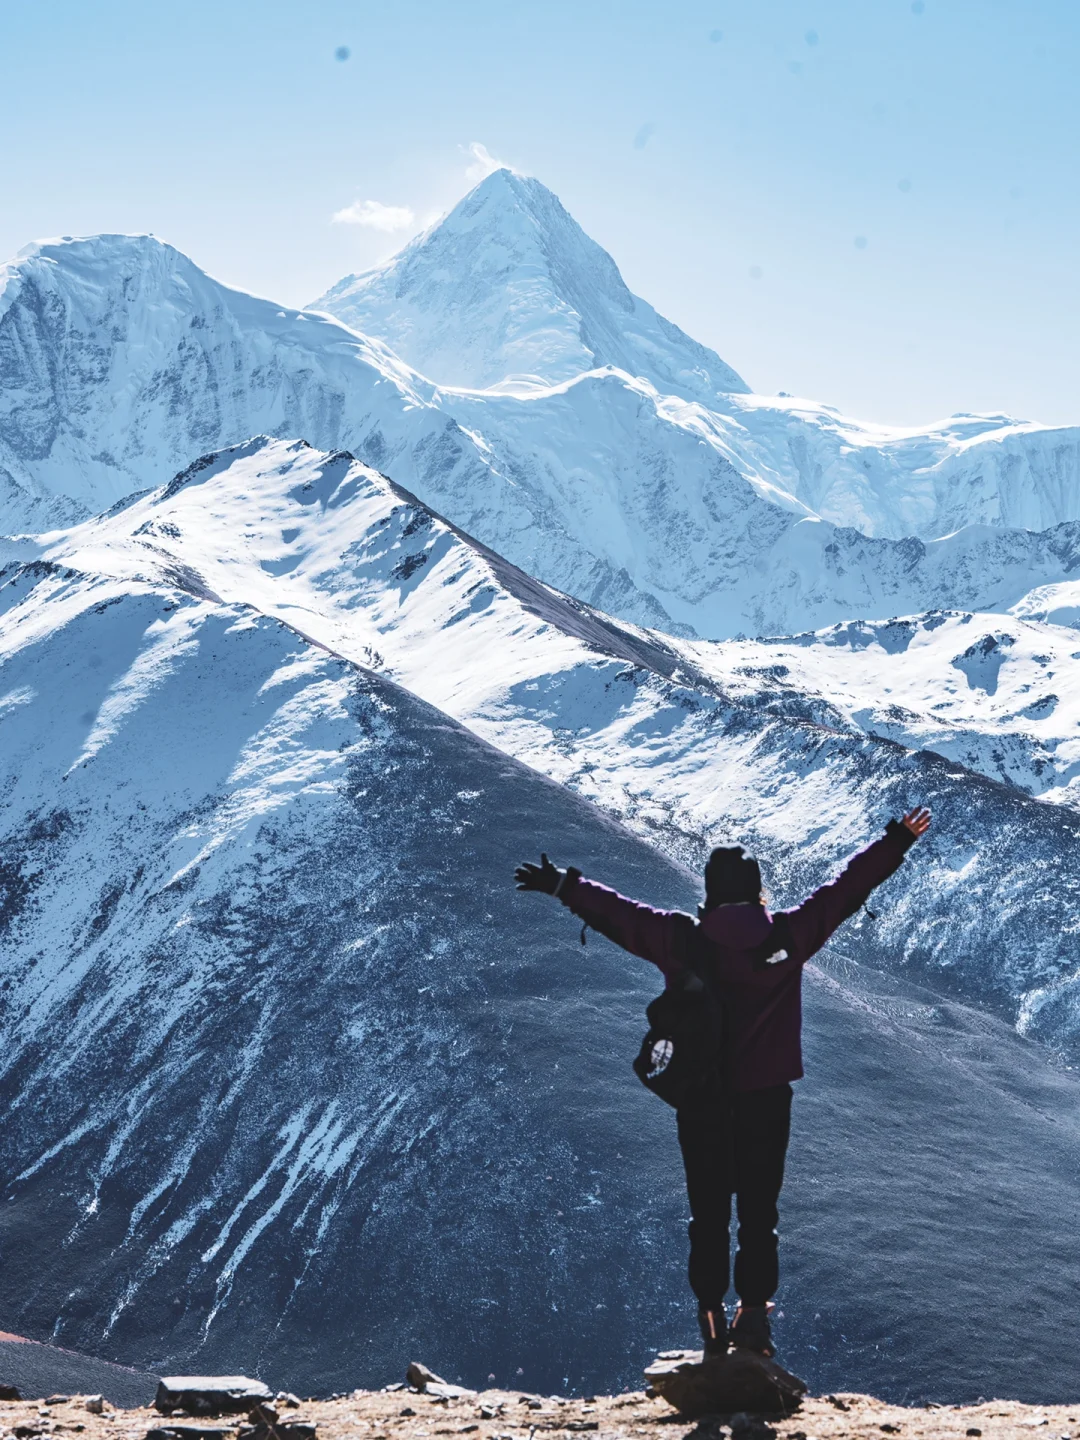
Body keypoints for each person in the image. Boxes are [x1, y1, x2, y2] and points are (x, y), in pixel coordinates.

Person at [514, 808, 931, 1360]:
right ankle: (754, 1322)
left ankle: (710, 1323)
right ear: (758, 894)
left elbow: (621, 914)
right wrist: (896, 840)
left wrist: (564, 885)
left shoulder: (680, 939)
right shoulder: (788, 935)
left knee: (709, 1212)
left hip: (702, 1099)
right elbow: (846, 890)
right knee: (759, 1213)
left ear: (708, 897)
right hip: (767, 1098)